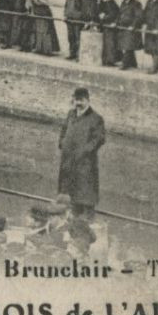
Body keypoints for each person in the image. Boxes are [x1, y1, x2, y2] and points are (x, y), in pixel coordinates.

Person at [57, 88, 105, 219]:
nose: (78, 103)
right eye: (76, 100)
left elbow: (99, 139)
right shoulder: (71, 114)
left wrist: (85, 151)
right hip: (68, 161)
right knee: (69, 193)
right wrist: (62, 142)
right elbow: (64, 129)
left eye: (81, 100)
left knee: (85, 194)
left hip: (85, 164)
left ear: (87, 100)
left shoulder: (96, 118)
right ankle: (72, 217)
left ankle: (87, 219)